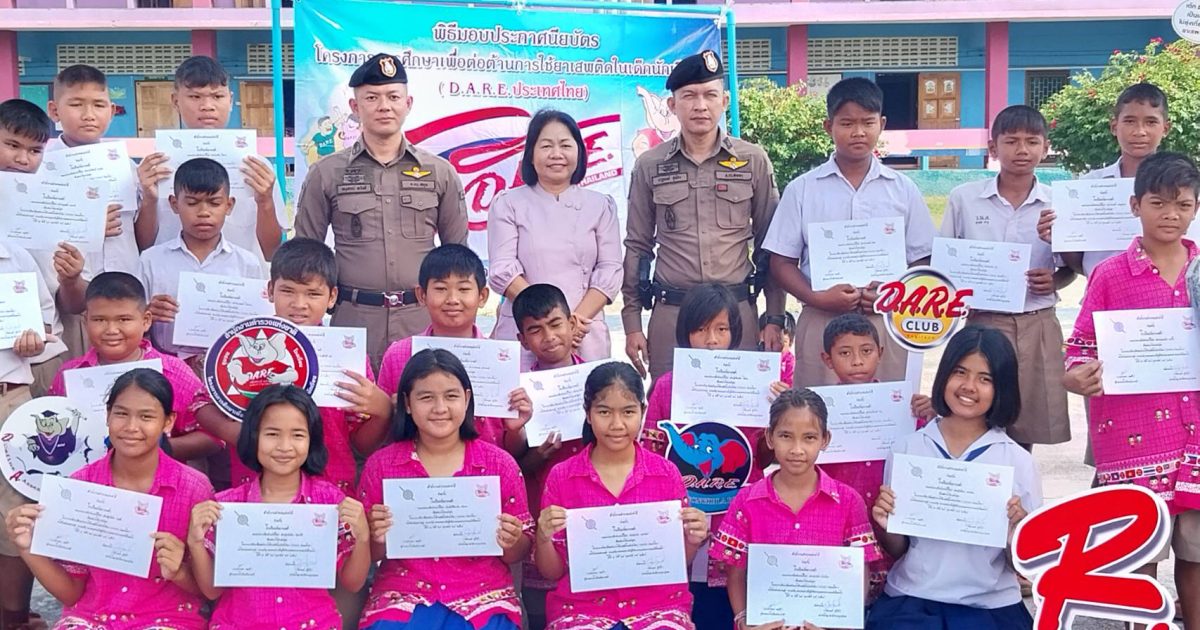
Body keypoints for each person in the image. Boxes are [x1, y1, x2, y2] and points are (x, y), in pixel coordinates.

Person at [1064, 152, 1200, 629]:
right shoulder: (1110, 275)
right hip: (1133, 440)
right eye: (1158, 203)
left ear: (1196, 207)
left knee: (1197, 555)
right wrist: (1076, 376)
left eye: (1183, 204)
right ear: (1134, 205)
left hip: (1196, 440)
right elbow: (1080, 347)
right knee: (1138, 556)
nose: (1171, 214)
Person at [295, 53, 469, 370]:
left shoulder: (440, 172)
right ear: (354, 106)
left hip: (421, 321)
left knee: (420, 400)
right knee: (350, 401)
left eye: (393, 97)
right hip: (352, 322)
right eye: (372, 98)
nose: (384, 106)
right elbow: (306, 254)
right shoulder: (326, 173)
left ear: (408, 103)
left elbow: (457, 257)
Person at [5, 368, 213, 629]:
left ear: (168, 422)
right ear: (107, 415)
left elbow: (209, 592)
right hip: (90, 618)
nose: (131, 427)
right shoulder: (79, 487)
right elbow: (71, 593)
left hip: (168, 617)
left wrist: (179, 572)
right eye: (121, 414)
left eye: (146, 416)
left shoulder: (193, 489)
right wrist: (27, 548)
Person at [763, 77, 936, 389]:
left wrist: (893, 293)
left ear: (882, 124)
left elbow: (923, 258)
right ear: (828, 126)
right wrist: (816, 297)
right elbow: (781, 262)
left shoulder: (903, 190)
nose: (858, 132)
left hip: (886, 320)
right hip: (821, 318)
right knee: (816, 410)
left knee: (885, 406)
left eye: (868, 122)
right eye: (847, 123)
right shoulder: (803, 190)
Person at [622, 50, 783, 383]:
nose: (700, 105)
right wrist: (632, 323)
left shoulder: (753, 160)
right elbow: (638, 246)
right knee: (669, 404)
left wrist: (774, 317)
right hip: (672, 314)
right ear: (672, 105)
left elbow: (772, 244)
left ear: (724, 101)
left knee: (738, 404)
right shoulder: (650, 165)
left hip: (736, 314)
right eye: (689, 96)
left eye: (710, 95)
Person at [868, 326, 1038, 630]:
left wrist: (1018, 533)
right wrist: (886, 524)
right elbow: (899, 549)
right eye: (960, 372)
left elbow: (1023, 564)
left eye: (985, 379)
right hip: (912, 599)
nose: (969, 386)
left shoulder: (1017, 461)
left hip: (990, 605)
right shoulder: (908, 448)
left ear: (1003, 388)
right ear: (944, 374)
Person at [639, 283, 787, 629]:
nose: (711, 340)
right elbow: (651, 454)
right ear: (685, 332)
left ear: (735, 333)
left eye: (721, 329)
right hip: (684, 516)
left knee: (728, 602)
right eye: (702, 329)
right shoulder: (667, 386)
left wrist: (778, 412)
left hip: (736, 513)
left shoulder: (755, 385)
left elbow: (762, 458)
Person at [194, 237, 394, 492]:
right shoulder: (244, 342)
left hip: (330, 487)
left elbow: (361, 444)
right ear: (270, 290)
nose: (299, 304)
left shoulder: (346, 354)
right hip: (257, 486)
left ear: (332, 296)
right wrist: (236, 433)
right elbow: (200, 403)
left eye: (313, 294)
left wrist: (383, 410)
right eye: (287, 291)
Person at [359, 348, 532, 629]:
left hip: (482, 592)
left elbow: (518, 552)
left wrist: (512, 540)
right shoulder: (381, 466)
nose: (440, 408)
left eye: (451, 396)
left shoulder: (499, 464)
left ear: (467, 399)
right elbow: (372, 553)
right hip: (404, 591)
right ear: (407, 403)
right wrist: (376, 535)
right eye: (426, 397)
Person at [536, 361, 710, 630]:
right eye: (604, 412)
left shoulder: (666, 474)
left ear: (643, 411)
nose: (616, 424)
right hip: (583, 609)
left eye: (628, 412)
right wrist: (543, 537)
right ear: (587, 413)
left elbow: (675, 562)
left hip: (657, 607)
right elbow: (552, 572)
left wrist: (693, 539)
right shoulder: (563, 477)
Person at [940, 105, 1073, 449]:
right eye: (1011, 141)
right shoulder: (964, 199)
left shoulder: (1058, 204)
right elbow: (944, 264)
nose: (1022, 150)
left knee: (1026, 424)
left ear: (1046, 147)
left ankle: (1021, 482)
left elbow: (1072, 266)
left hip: (1036, 321)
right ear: (993, 147)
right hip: (982, 323)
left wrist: (1055, 280)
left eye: (1032, 141)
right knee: (976, 416)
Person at [187, 385, 371, 630]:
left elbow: (353, 583)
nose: (285, 446)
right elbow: (212, 590)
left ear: (312, 440)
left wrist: (363, 537)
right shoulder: (226, 507)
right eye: (272, 434)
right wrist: (195, 542)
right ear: (253, 436)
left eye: (298, 435)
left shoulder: (329, 502)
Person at [711, 388, 882, 630]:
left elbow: (859, 570)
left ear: (825, 440)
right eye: (786, 436)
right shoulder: (747, 501)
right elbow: (735, 571)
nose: (797, 449)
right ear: (770, 437)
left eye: (809, 438)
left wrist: (844, 622)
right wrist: (742, 620)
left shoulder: (848, 501)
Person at [487, 110, 622, 367]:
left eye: (565, 145)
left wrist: (571, 325)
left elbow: (610, 270)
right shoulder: (508, 204)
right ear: (531, 154)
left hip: (584, 330)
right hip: (525, 330)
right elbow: (502, 269)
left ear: (579, 152)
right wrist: (544, 323)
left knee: (587, 392)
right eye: (546, 146)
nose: (556, 154)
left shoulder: (601, 206)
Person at [46, 272, 225, 463]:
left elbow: (213, 437)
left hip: (157, 477)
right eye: (99, 320)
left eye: (124, 319)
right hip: (86, 478)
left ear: (146, 320)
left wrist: (157, 449)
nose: (111, 330)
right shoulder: (70, 374)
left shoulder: (173, 372)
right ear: (85, 321)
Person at [816, 312, 932, 597]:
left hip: (891, 520)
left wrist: (931, 413)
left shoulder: (905, 408)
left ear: (880, 353)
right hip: (840, 524)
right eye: (845, 353)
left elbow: (928, 451)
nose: (857, 361)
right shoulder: (817, 411)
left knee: (891, 594)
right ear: (827, 359)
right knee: (844, 592)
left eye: (866, 351)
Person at [137, 55, 285, 264]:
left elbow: (271, 250)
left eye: (217, 96)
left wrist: (265, 201)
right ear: (175, 101)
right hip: (170, 277)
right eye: (195, 97)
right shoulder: (154, 168)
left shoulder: (256, 167)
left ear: (230, 100)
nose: (207, 106)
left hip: (238, 278)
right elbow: (142, 246)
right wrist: (149, 200)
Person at [495, 283, 584, 629]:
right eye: (535, 330)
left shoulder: (598, 381)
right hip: (540, 503)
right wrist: (535, 455)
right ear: (521, 339)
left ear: (572, 324)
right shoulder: (518, 392)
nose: (548, 337)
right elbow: (512, 463)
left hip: (590, 506)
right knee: (539, 602)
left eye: (555, 324)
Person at [0, 98, 93, 395]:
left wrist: (71, 278)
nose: (23, 159)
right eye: (12, 145)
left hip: (40, 359)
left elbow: (74, 304)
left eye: (35, 150)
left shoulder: (59, 204)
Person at [139, 157, 265, 363]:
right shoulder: (151, 260)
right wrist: (147, 313)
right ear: (174, 204)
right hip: (167, 365)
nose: (204, 212)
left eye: (214, 203)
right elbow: (133, 318)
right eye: (192, 203)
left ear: (229, 205)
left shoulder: (247, 263)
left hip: (229, 365)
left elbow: (258, 324)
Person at [374, 244, 503, 445]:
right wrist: (391, 410)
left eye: (463, 289)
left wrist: (517, 425)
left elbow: (509, 441)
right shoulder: (398, 355)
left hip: (486, 463)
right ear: (422, 295)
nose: (452, 299)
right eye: (441, 289)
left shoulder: (501, 359)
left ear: (482, 296)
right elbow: (382, 433)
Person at [0, 185, 58, 629]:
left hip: (10, 399)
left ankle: (13, 616)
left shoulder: (15, 258)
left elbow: (47, 321)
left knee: (14, 512)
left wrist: (35, 340)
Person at [1057, 82, 1171, 277]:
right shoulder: (1088, 186)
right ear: (1114, 126)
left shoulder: (1182, 186)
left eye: (1151, 122)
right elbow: (1079, 260)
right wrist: (1059, 234)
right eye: (1130, 121)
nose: (1139, 131)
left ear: (1166, 128)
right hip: (1102, 291)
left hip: (1166, 292)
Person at [46, 64, 148, 271]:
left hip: (126, 278)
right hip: (67, 282)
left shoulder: (127, 168)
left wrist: (150, 198)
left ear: (112, 111)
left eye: (99, 105)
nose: (89, 115)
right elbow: (35, 235)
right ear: (54, 111)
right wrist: (86, 229)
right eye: (76, 104)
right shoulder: (42, 170)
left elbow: (142, 236)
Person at [759, 311, 795, 387]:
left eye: (784, 342)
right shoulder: (754, 359)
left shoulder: (792, 365)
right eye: (767, 342)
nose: (775, 347)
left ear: (790, 343)